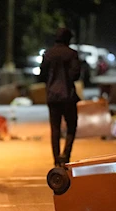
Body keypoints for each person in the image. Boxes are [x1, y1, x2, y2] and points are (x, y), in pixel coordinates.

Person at [39, 27, 81, 167]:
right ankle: (66, 155)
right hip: (68, 96)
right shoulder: (72, 54)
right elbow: (75, 75)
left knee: (55, 129)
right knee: (71, 126)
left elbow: (42, 74)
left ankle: (56, 160)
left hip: (52, 96)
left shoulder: (48, 54)